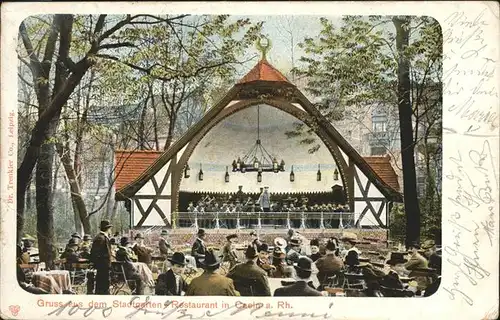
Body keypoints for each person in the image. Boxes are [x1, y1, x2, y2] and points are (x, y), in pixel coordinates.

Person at [90, 220, 113, 295]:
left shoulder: (102, 237)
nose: (110, 230)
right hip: (102, 265)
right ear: (107, 229)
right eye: (110, 228)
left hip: (104, 265)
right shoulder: (101, 238)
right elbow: (95, 253)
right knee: (103, 284)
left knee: (103, 284)